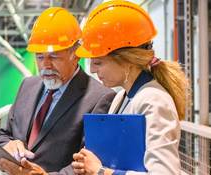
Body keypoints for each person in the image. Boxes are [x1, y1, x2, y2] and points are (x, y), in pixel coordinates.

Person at [71, 1, 189, 174]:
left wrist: (101, 171)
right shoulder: (121, 97)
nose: (92, 70)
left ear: (126, 60)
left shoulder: (154, 101)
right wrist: (89, 163)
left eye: (98, 62)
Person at [0, 7, 116, 174]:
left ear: (76, 55)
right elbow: (4, 135)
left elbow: (88, 163)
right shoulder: (27, 86)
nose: (45, 65)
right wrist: (9, 145)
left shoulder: (101, 98)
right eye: (39, 57)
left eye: (53, 56)